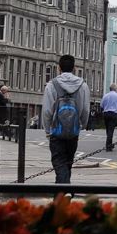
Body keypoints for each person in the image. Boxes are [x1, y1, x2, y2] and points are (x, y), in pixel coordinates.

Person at [42, 54, 90, 183]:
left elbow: (47, 111)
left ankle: (63, 192)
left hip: (56, 131)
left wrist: (47, 130)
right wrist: (82, 125)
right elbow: (85, 109)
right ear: (74, 68)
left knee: (59, 162)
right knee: (68, 162)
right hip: (73, 130)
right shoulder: (83, 85)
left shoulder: (52, 85)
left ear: (59, 68)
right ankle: (65, 191)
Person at [100, 83, 117, 151]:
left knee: (108, 129)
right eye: (116, 88)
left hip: (106, 113)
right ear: (115, 89)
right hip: (113, 113)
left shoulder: (105, 96)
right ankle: (108, 146)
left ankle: (109, 144)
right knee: (111, 130)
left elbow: (101, 105)